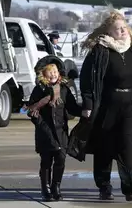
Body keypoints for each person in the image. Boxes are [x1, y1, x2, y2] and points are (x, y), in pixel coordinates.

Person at [79, 10, 132, 201]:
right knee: (105, 148)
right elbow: (87, 79)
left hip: (131, 106)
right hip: (107, 106)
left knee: (127, 145)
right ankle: (104, 185)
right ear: (109, 32)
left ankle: (130, 186)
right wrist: (88, 104)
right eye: (117, 29)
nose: (122, 31)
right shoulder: (100, 51)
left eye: (124, 27)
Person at [27, 55, 81, 201]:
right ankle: (45, 189)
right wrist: (43, 127)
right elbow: (32, 111)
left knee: (61, 160)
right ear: (43, 74)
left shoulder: (64, 89)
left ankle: (56, 186)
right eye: (50, 71)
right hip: (45, 132)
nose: (53, 74)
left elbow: (72, 107)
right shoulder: (40, 89)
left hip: (61, 131)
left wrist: (86, 110)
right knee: (46, 161)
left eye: (55, 71)